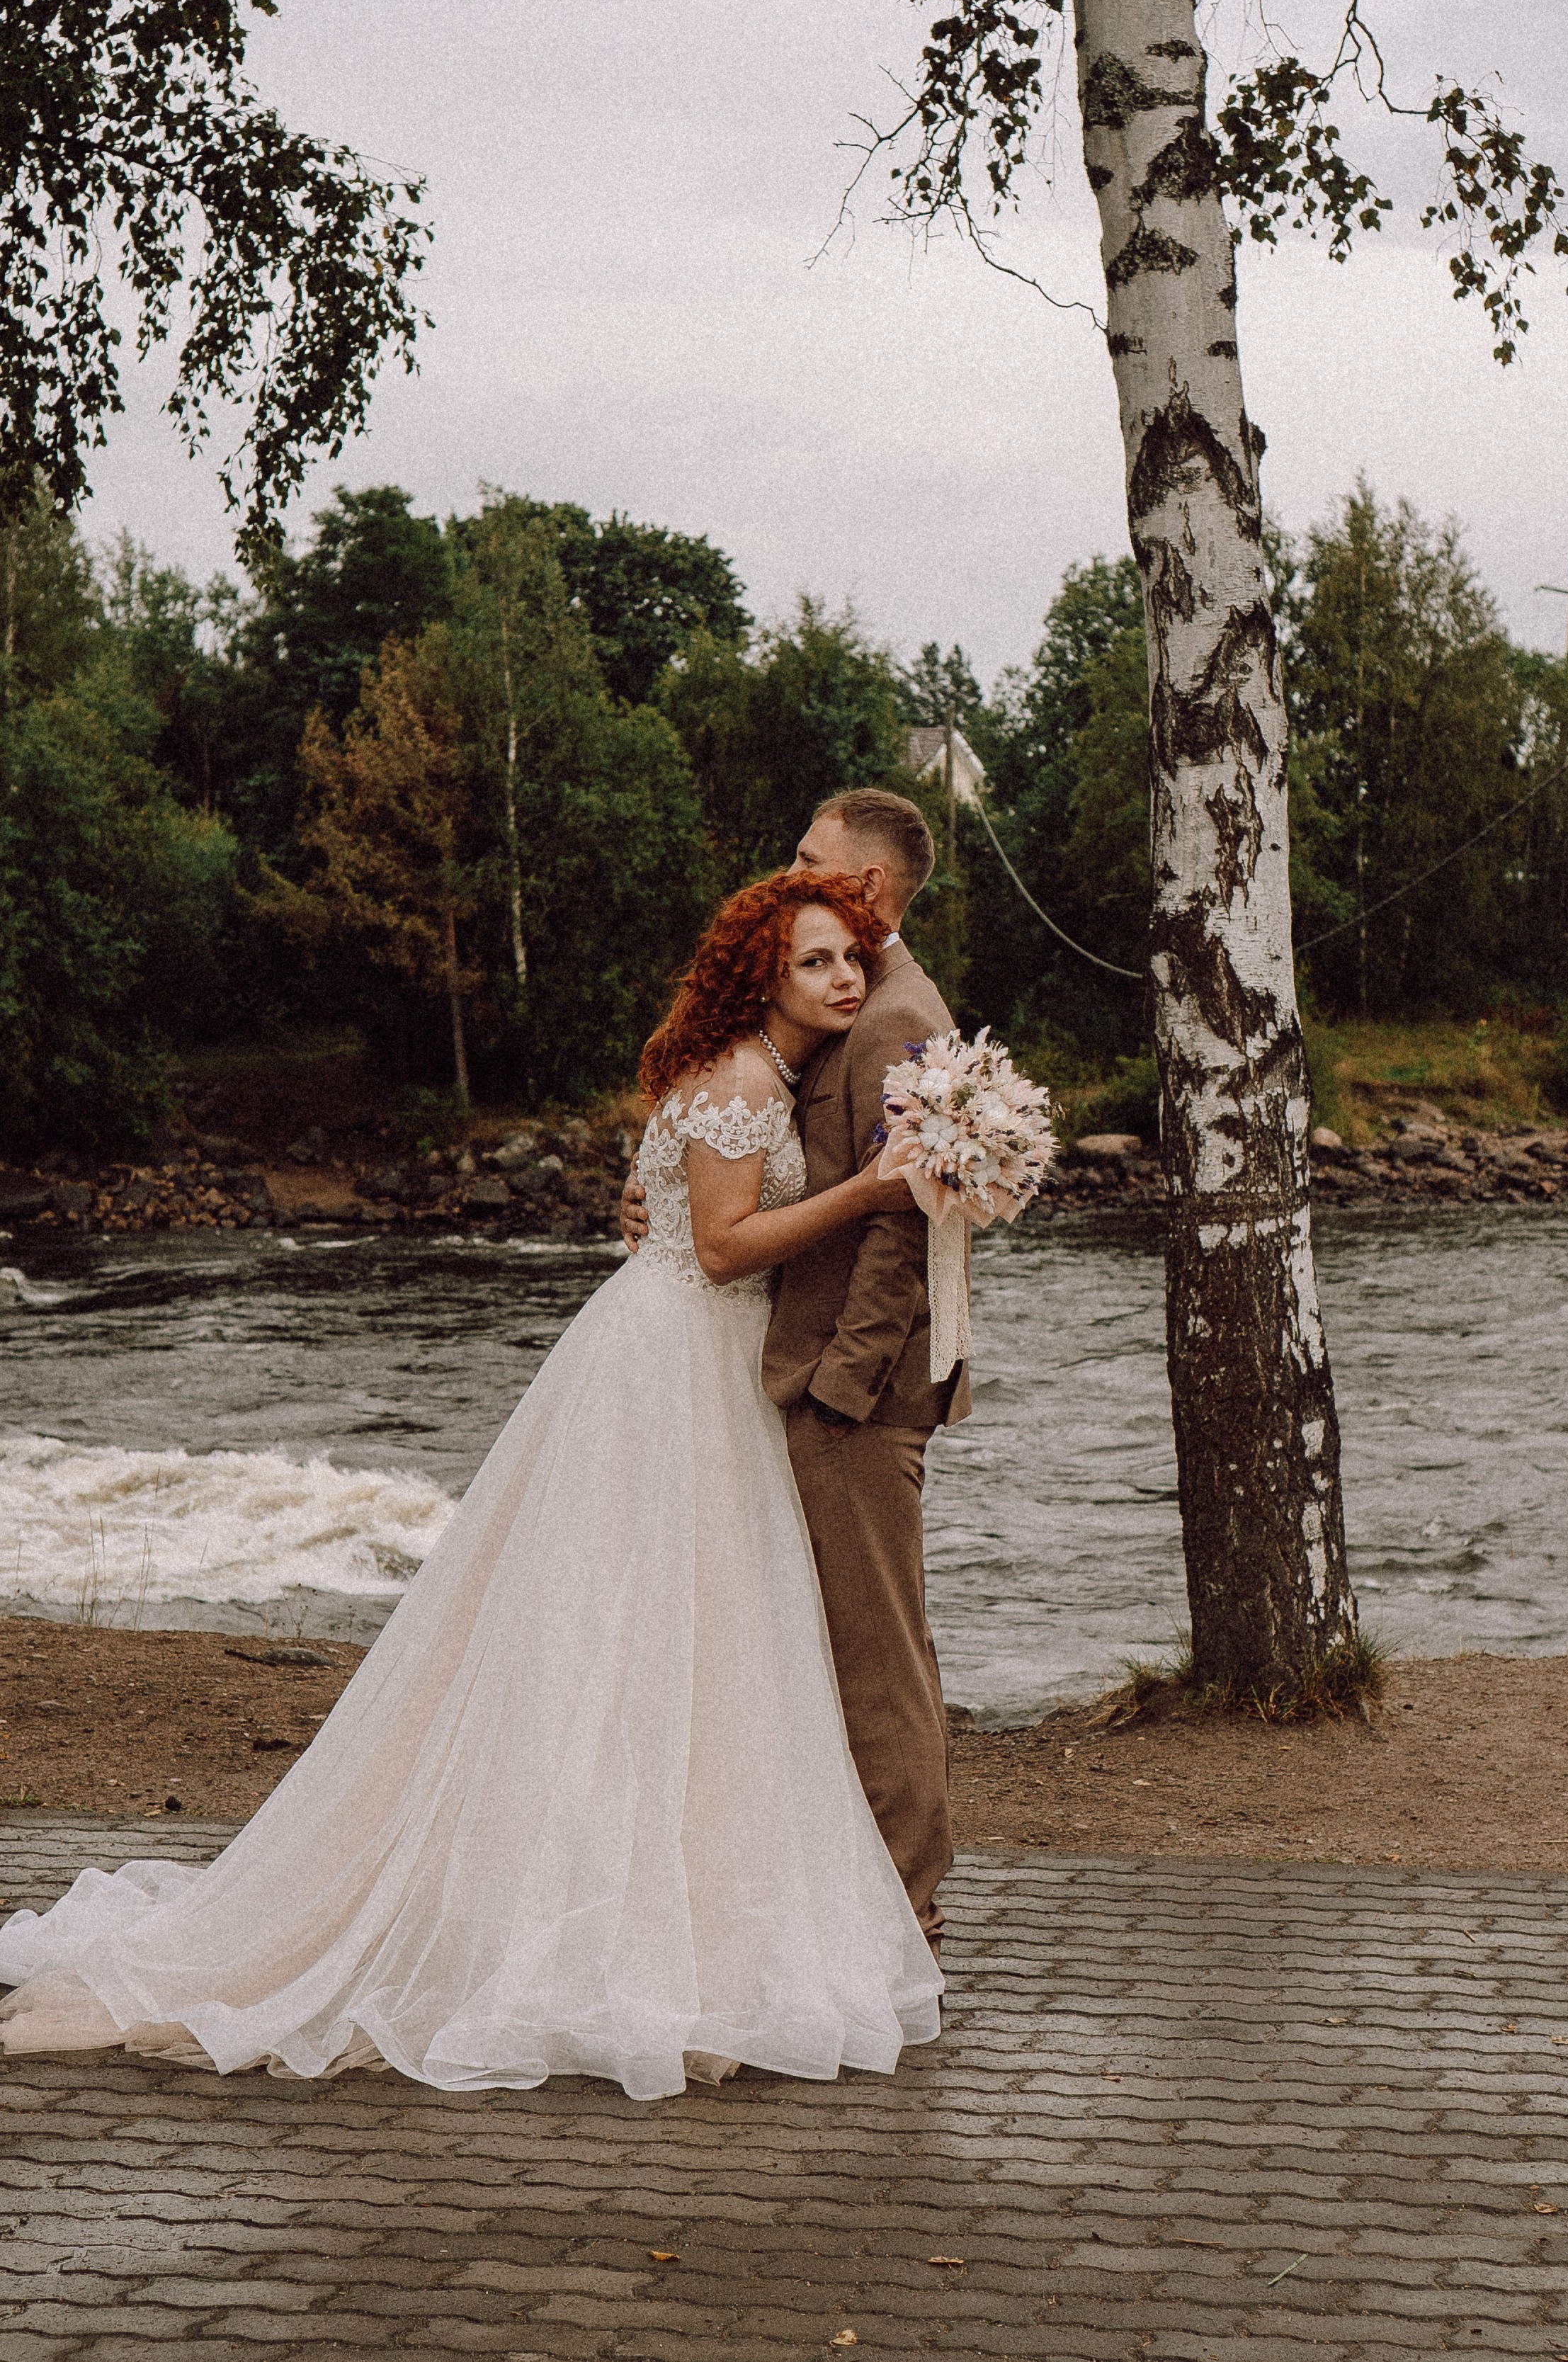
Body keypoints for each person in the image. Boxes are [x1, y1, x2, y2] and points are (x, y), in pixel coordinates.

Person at [0, 873, 941, 2099]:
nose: (844, 980)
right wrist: (869, 1192)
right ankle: (603, 1922)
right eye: (817, 962)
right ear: (764, 975)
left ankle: (667, 1897)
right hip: (675, 1368)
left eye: (851, 961)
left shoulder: (745, 1069)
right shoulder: (748, 1081)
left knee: (682, 1639)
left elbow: (662, 1216)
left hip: (674, 1359)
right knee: (645, 1632)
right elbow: (715, 1250)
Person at [623, 787, 965, 1960]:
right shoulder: (837, 1012)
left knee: (878, 1661)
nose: (790, 868)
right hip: (773, 1365)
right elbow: (750, 1159)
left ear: (866, 888)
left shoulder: (895, 1020)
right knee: (801, 1645)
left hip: (848, 1391)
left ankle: (906, 1914)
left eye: (810, 857)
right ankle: (840, 1898)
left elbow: (906, 1227)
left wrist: (841, 1387)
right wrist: (662, 1187)